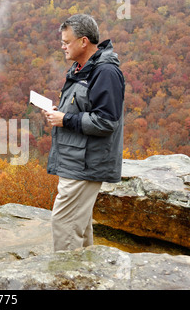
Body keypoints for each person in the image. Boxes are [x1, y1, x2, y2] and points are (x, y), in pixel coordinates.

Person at [43, 14, 125, 252]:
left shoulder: (105, 72)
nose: (62, 46)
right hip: (76, 158)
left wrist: (66, 119)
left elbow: (107, 121)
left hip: (86, 162)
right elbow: (85, 107)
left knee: (64, 224)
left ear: (84, 42)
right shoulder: (81, 68)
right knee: (78, 225)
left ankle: (67, 279)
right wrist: (60, 114)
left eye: (66, 42)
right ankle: (86, 275)